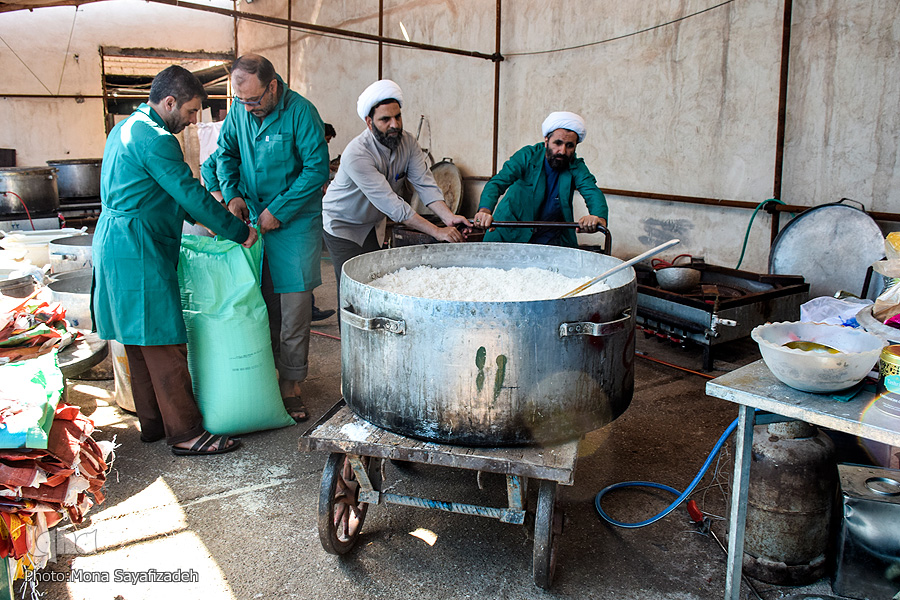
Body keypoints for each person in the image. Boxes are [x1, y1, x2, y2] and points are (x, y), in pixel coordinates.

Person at [92, 65, 258, 456]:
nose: (192, 120)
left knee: (137, 338)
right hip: (137, 248)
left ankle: (152, 424)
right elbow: (187, 193)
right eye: (190, 111)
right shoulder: (157, 140)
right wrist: (238, 232)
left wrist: (208, 219)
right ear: (169, 102)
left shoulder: (125, 129)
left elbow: (164, 192)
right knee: (164, 341)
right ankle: (186, 433)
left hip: (116, 242)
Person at [216, 54, 330, 423]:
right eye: (241, 101)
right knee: (261, 304)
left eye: (253, 100)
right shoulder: (239, 112)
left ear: (273, 86)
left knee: (295, 308)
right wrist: (232, 194)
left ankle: (292, 385)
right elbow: (225, 154)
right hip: (252, 218)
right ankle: (265, 377)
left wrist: (279, 210)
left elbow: (315, 171)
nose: (247, 108)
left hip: (294, 224)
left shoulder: (302, 113)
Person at [322, 79, 468, 306]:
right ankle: (350, 341)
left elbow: (425, 183)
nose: (394, 124)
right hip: (343, 224)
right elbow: (393, 205)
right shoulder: (357, 153)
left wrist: (448, 217)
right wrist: (437, 231)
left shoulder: (408, 143)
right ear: (369, 122)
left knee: (376, 285)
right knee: (352, 291)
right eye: (385, 119)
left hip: (372, 225)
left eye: (397, 117)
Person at [474, 111, 608, 247]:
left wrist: (598, 218)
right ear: (546, 141)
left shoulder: (576, 166)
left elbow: (592, 191)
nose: (562, 151)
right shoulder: (527, 156)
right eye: (558, 143)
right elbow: (497, 183)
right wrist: (484, 211)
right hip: (510, 231)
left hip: (547, 236)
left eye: (569, 145)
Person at [310, 123, 338, 323]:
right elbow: (316, 171)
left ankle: (307, 308)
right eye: (328, 139)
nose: (327, 143)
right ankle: (307, 309)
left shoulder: (317, 147)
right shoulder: (313, 144)